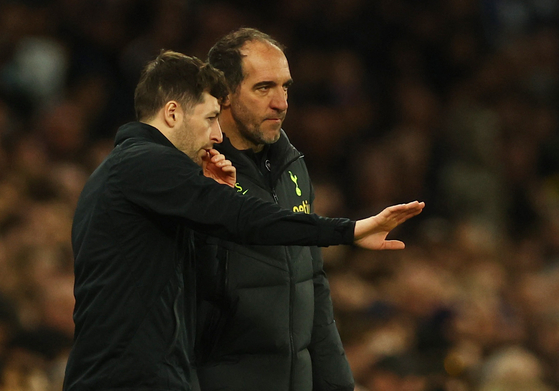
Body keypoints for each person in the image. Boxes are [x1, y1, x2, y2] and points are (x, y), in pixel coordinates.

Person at [62, 50, 424, 391]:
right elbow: (250, 219)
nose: (217, 136)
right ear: (172, 114)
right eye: (208, 119)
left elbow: (203, 274)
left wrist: (218, 195)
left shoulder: (127, 171)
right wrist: (350, 230)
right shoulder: (145, 162)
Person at [193, 28, 391, 391]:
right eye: (264, 88)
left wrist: (336, 384)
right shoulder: (191, 171)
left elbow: (311, 282)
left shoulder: (291, 164)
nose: (281, 103)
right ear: (223, 95)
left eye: (285, 87)